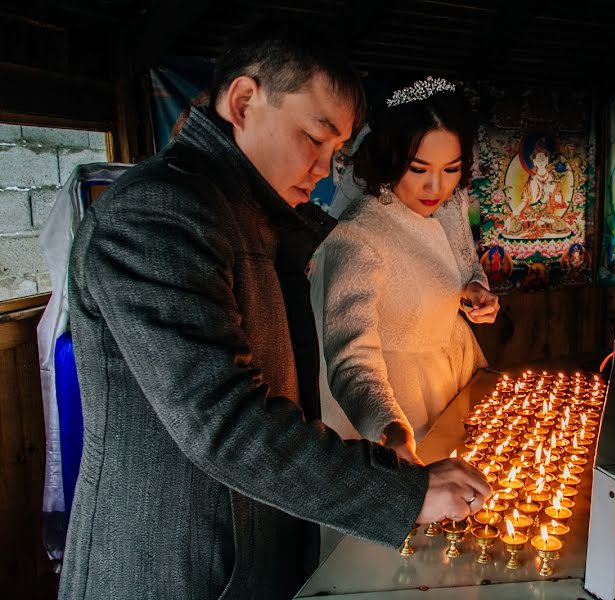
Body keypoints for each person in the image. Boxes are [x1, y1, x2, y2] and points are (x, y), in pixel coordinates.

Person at [59, 23, 490, 600]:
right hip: (178, 562)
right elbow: (225, 420)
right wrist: (405, 492)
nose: (321, 168)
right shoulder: (157, 214)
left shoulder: (255, 218)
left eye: (336, 150)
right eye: (314, 139)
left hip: (260, 544)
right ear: (243, 101)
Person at [310, 78, 500, 465]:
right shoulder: (357, 237)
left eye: (451, 170)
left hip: (447, 392)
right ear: (390, 157)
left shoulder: (429, 215)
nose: (437, 187)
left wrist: (472, 292)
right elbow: (350, 357)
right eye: (418, 169)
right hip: (394, 412)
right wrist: (389, 429)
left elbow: (447, 274)